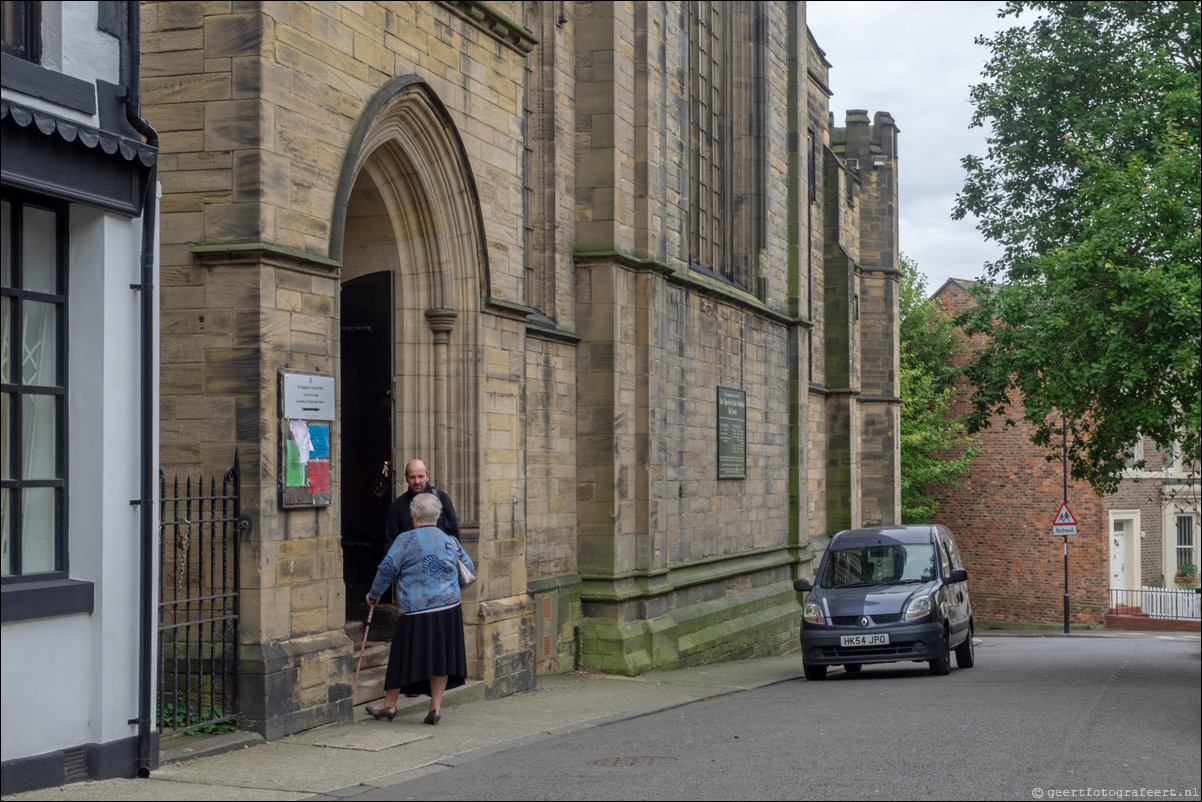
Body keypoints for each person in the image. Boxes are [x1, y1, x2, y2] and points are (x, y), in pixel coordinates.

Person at [365, 492, 473, 725]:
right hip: (449, 608)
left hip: (416, 608)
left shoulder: (405, 540)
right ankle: (434, 707)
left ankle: (389, 704)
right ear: (436, 515)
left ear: (414, 515)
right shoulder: (449, 540)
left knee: (401, 655)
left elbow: (386, 570)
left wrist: (374, 595)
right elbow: (469, 567)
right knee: (441, 656)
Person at [383, 459, 460, 549]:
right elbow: (390, 543)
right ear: (406, 478)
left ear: (427, 476)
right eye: (412, 477)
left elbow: (455, 535)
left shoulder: (442, 499)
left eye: (420, 476)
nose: (417, 481)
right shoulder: (397, 506)